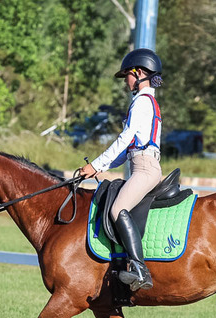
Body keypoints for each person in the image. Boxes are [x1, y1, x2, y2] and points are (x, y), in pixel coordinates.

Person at [78, 48, 164, 291]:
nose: (126, 81)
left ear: (138, 73)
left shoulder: (142, 103)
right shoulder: (147, 101)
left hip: (145, 168)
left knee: (118, 208)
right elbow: (127, 151)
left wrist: (96, 163)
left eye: (127, 75)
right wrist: (99, 169)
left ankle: (139, 268)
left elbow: (125, 138)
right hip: (141, 163)